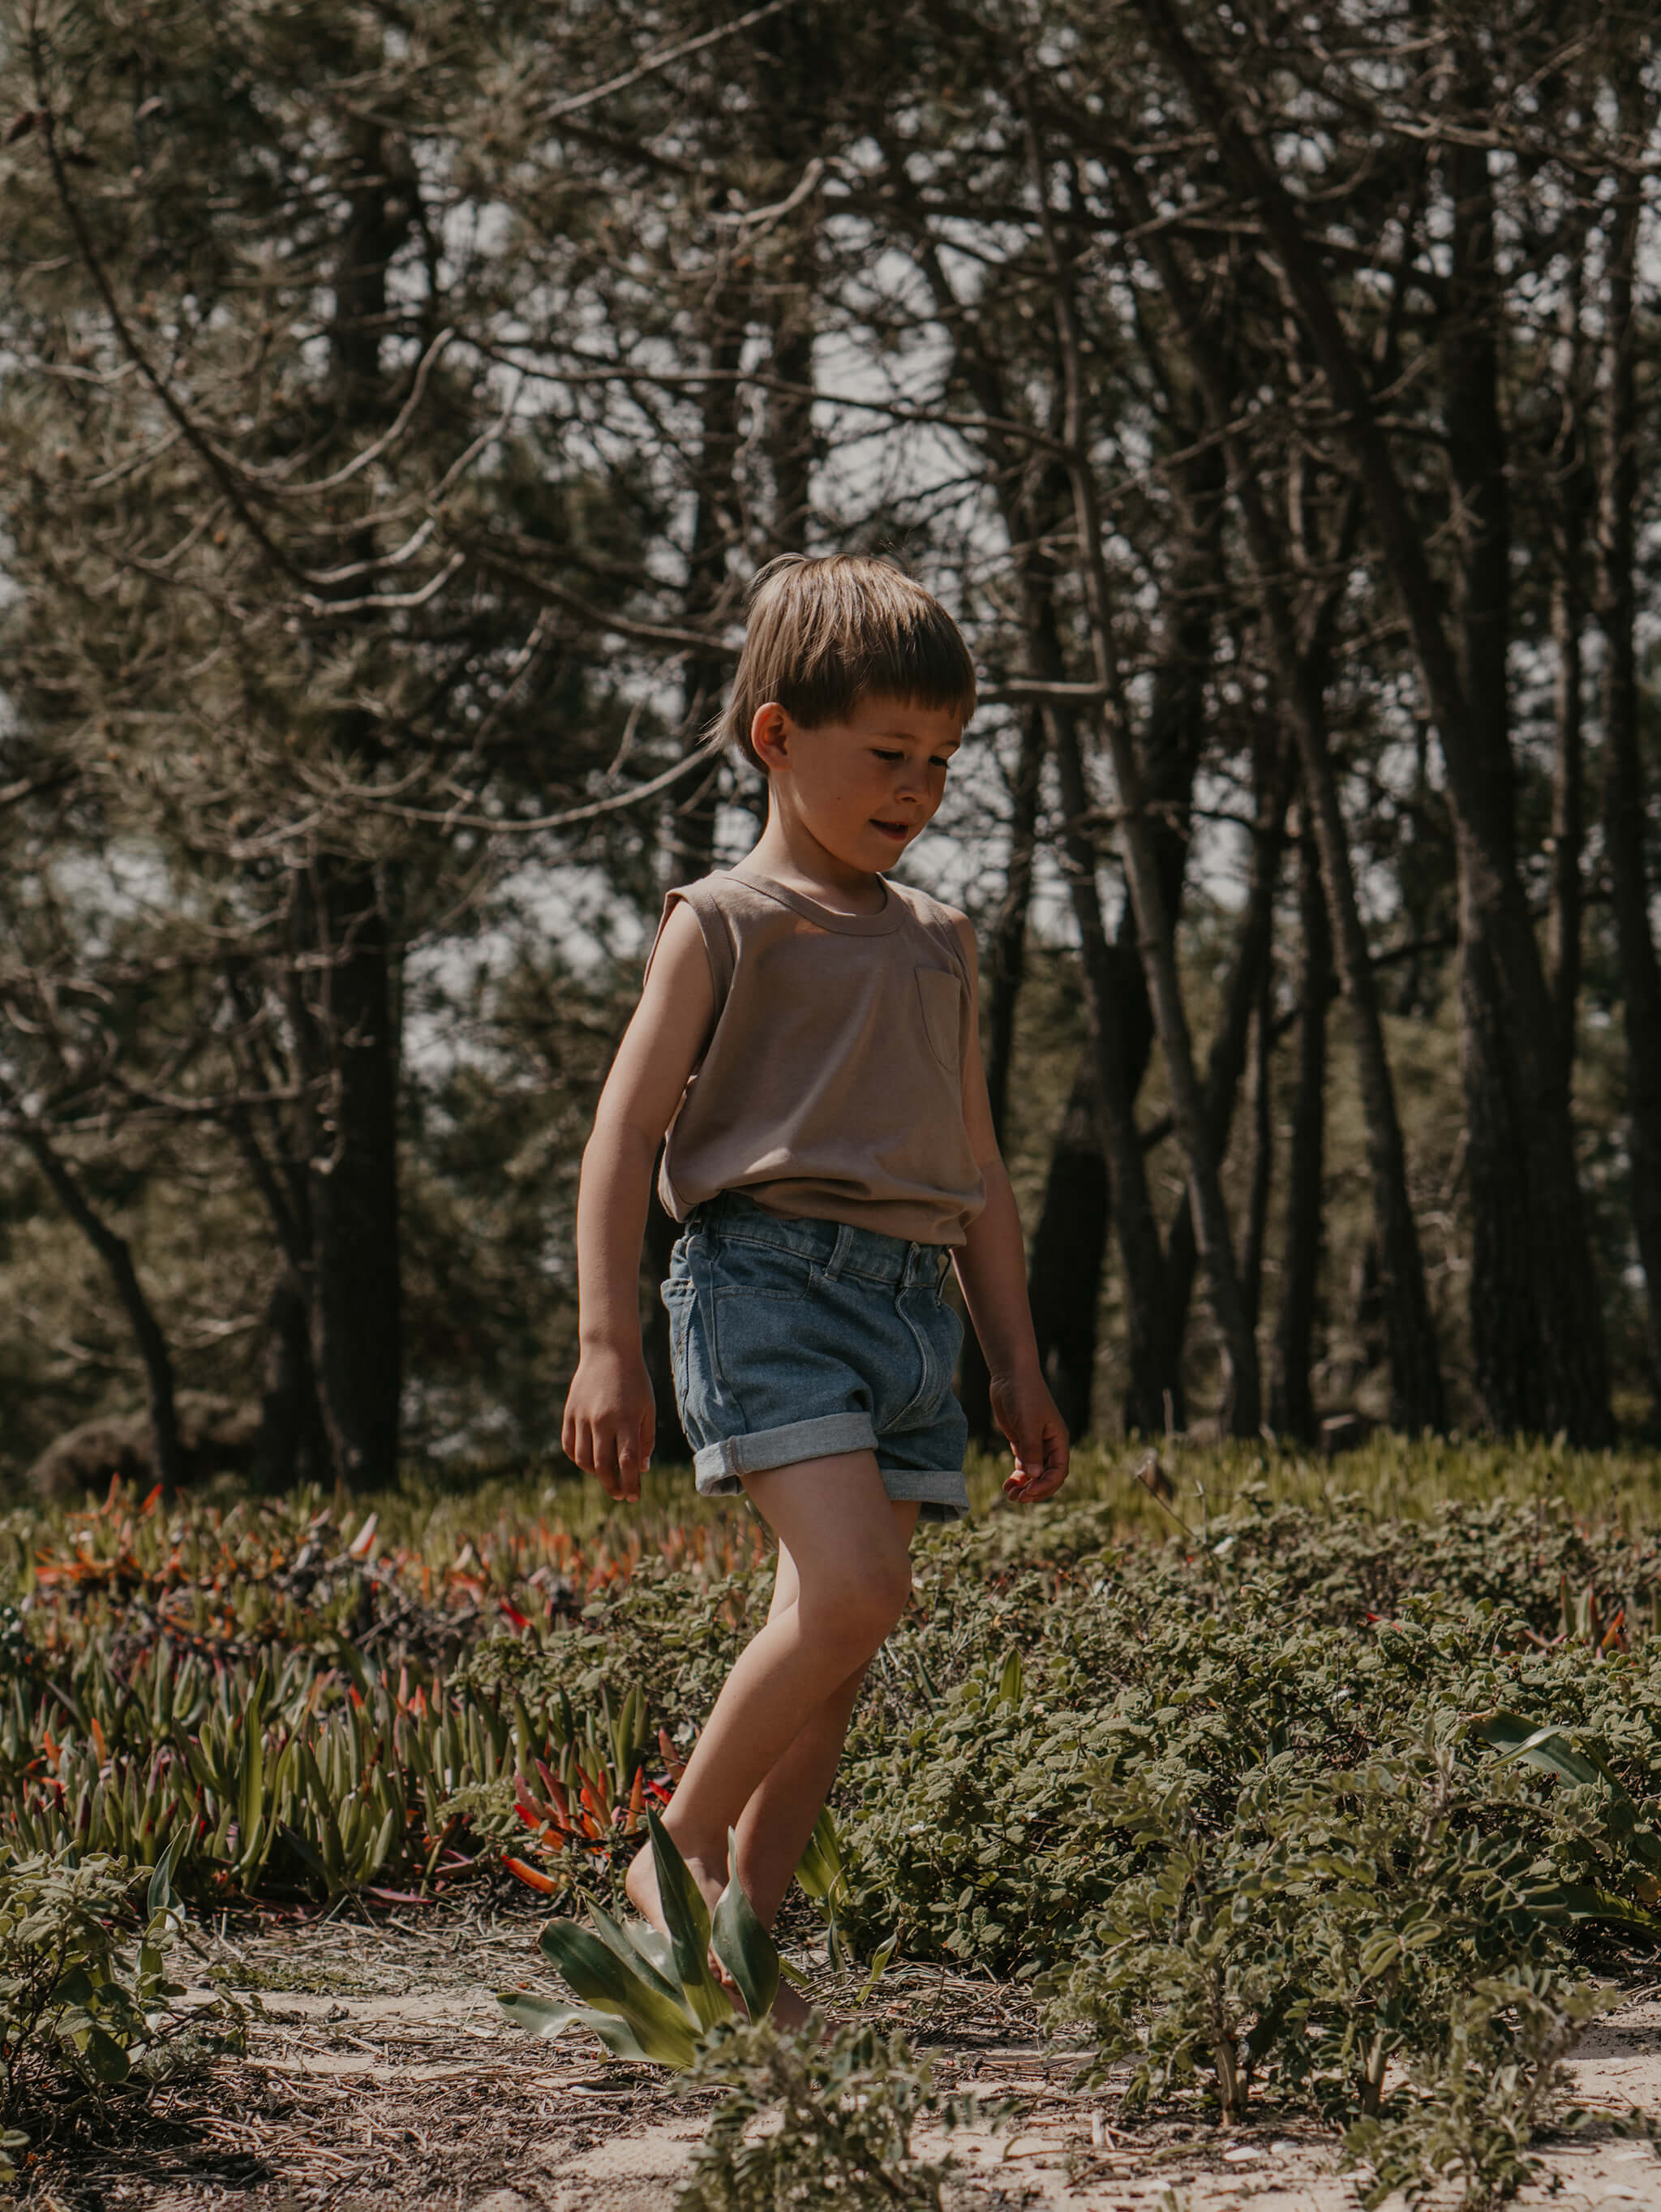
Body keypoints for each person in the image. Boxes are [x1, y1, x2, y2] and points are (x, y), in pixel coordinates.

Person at [560, 553, 1070, 2029]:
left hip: (911, 1313)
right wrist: (607, 1343)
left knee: (837, 1651)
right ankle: (675, 1855)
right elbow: (623, 1135)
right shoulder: (722, 921)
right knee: (857, 1590)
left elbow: (977, 1172)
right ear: (777, 737)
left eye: (943, 760)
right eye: (889, 753)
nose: (919, 787)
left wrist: (1014, 1362)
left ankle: (741, 1956)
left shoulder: (940, 941)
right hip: (763, 1287)